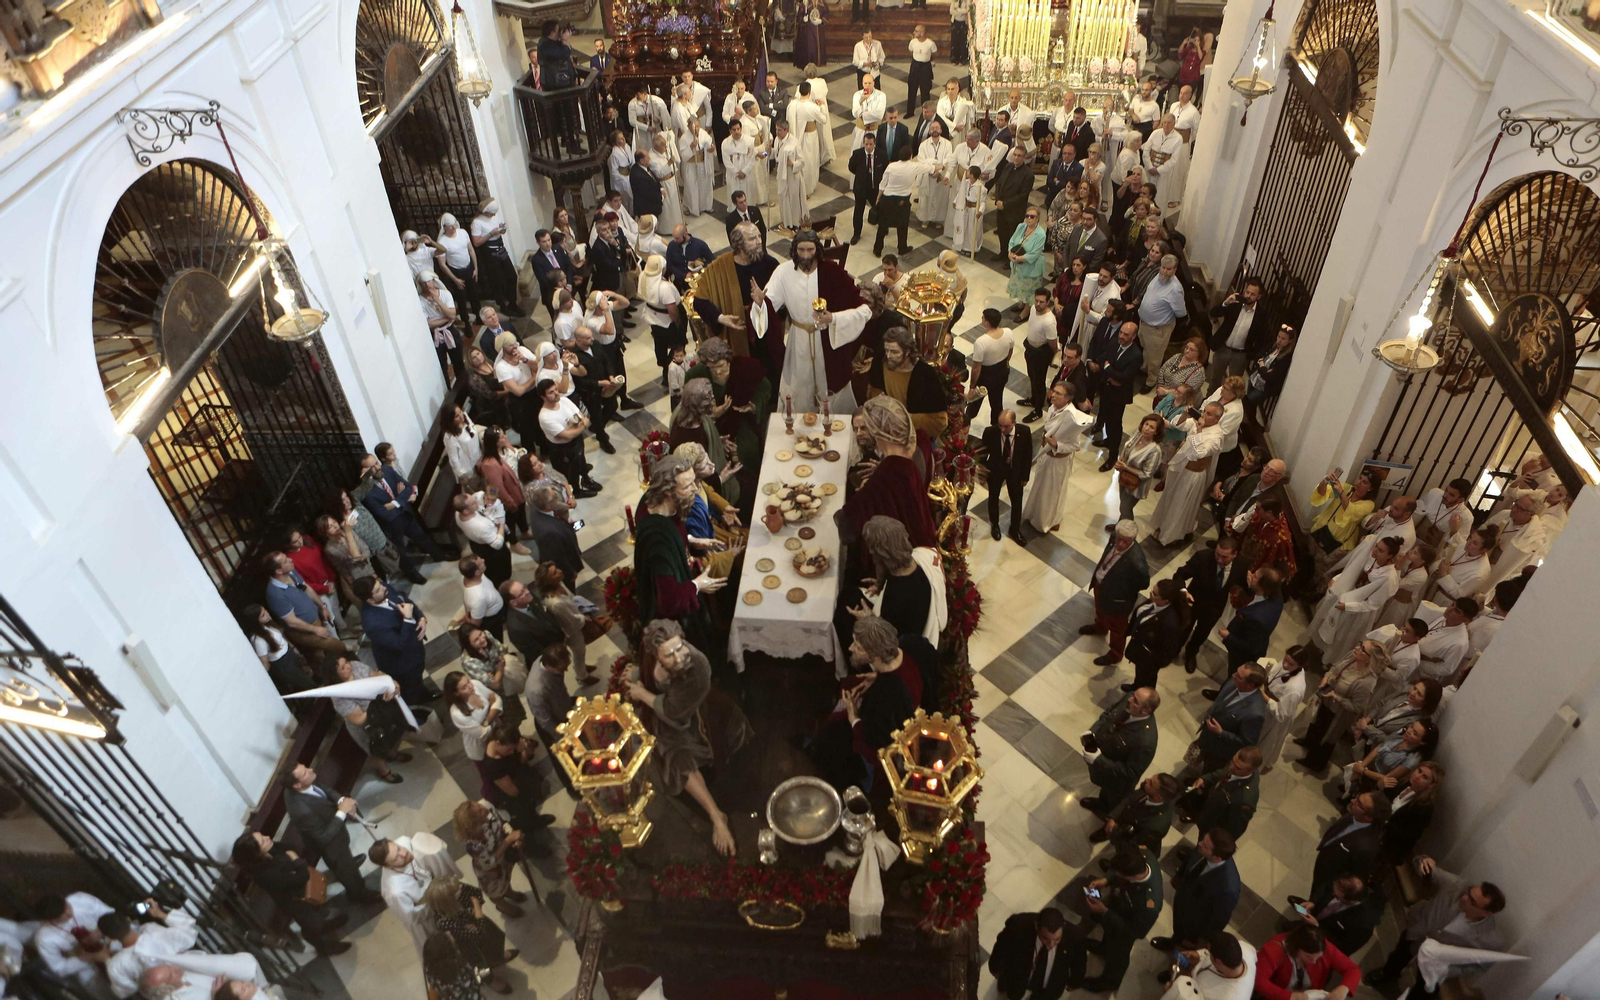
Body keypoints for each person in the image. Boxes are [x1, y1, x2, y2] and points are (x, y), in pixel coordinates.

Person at [626, 619, 752, 853]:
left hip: (695, 719)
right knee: (676, 760)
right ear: (655, 655)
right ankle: (716, 814)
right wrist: (637, 675)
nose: (679, 657)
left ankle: (717, 816)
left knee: (679, 757)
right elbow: (647, 674)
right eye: (669, 654)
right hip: (666, 715)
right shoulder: (649, 653)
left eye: (679, 647)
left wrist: (642, 694)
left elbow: (675, 714)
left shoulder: (698, 668)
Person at [749, 229, 872, 410]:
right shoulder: (783, 272)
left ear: (818, 250)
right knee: (800, 386)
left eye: (810, 250)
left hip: (827, 341)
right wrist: (760, 304)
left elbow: (864, 310)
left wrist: (834, 318)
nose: (806, 256)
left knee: (830, 384)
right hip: (798, 341)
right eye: (801, 250)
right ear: (794, 250)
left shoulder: (831, 271)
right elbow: (767, 308)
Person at [809, 614, 919, 790]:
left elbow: (873, 745)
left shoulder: (883, 698)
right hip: (889, 708)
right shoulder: (904, 654)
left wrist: (853, 717)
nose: (851, 648)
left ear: (875, 655)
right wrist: (877, 676)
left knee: (831, 739)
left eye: (858, 647)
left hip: (880, 753)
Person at [230, 832, 352, 956]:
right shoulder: (264, 874)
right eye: (263, 841)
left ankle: (324, 926)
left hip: (299, 889)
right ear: (255, 854)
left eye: (263, 836)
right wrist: (295, 859)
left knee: (316, 912)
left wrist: (285, 853)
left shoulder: (268, 853)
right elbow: (302, 876)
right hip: (294, 901)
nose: (268, 837)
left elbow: (290, 847)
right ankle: (321, 947)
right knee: (310, 923)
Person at [840, 396, 940, 547]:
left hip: (897, 552)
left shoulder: (883, 479)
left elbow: (846, 527)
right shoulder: (918, 442)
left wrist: (869, 486)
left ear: (878, 433)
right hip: (923, 533)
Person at [283, 763, 375, 902]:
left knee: (345, 863)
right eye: (305, 772)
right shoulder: (302, 811)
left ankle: (346, 865)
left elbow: (324, 789)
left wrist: (342, 800)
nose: (311, 770)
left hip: (335, 834)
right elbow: (323, 837)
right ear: (297, 785)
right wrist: (342, 811)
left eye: (306, 768)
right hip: (331, 845)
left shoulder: (301, 785)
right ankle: (359, 894)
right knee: (348, 873)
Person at [1077, 845, 1164, 992]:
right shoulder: (1140, 854)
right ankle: (1104, 949)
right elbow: (1118, 871)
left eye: (1119, 874)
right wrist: (1106, 879)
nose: (1116, 875)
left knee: (1117, 956)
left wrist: (1104, 912)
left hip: (1125, 929)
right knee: (1109, 934)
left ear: (1133, 876)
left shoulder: (1149, 904)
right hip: (1118, 909)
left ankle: (1109, 983)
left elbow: (1136, 932)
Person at [1297, 639, 1388, 772]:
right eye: (1360, 644)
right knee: (1316, 723)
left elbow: (1357, 707)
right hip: (1327, 699)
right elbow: (1335, 668)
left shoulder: (1366, 682)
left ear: (1369, 659)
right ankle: (1308, 742)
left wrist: (1336, 697)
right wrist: (1326, 678)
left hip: (1337, 713)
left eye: (1362, 649)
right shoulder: (1353, 657)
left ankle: (1315, 763)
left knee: (1326, 736)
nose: (1357, 648)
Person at [423, 876, 518, 995]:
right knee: (479, 965)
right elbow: (479, 933)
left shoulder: (459, 889)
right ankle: (490, 980)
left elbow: (476, 893)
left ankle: (497, 958)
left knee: (494, 941)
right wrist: (475, 906)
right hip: (469, 947)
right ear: (450, 900)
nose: (461, 886)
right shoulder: (444, 922)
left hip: (476, 926)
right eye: (458, 889)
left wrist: (475, 913)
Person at [325, 656, 412, 784]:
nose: (349, 666)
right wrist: (379, 702)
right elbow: (359, 719)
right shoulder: (338, 695)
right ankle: (383, 770)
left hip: (382, 710)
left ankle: (392, 754)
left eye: (346, 662)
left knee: (393, 734)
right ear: (334, 675)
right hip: (367, 724)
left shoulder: (355, 666)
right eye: (343, 668)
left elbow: (375, 675)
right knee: (377, 747)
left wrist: (390, 684)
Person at [1178, 661, 1268, 784]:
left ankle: (1199, 794)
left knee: (1210, 774)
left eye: (1239, 676)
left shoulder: (1254, 713)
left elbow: (1247, 742)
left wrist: (1221, 732)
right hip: (1209, 736)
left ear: (1250, 685)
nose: (1233, 676)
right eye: (1236, 672)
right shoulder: (1234, 682)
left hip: (1220, 750)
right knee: (1204, 762)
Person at [1149, 402, 1225, 545]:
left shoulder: (1217, 436)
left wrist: (1200, 430)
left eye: (1209, 414)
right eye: (1204, 411)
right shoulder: (1197, 421)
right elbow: (1176, 424)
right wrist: (1185, 414)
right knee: (1170, 499)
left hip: (1193, 474)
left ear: (1217, 419)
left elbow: (1199, 453)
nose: (1203, 415)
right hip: (1180, 467)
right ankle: (1163, 526)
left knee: (1181, 505)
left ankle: (1172, 536)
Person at [1021, 386, 1094, 534]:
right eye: (1053, 391)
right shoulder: (1053, 407)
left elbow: (1075, 445)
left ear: (1068, 398)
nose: (1052, 395)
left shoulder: (1071, 417)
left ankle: (1048, 521)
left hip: (1057, 461)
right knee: (1040, 487)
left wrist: (1057, 445)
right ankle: (1033, 513)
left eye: (1058, 394)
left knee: (1052, 492)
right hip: (1045, 455)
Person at [1153, 830, 1240, 951]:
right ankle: (1174, 940)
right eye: (1203, 840)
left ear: (1217, 858)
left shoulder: (1228, 889)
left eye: (1205, 845)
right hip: (1183, 902)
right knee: (1178, 930)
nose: (1199, 844)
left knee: (1185, 941)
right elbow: (1190, 860)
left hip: (1194, 921)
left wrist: (1203, 939)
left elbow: (1218, 920)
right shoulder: (1202, 848)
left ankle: (1177, 950)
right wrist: (1178, 876)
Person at [1078, 686, 1160, 815]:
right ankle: (1102, 802)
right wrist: (1092, 731)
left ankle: (1107, 812)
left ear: (1145, 711)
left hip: (1117, 780)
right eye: (1134, 695)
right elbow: (1109, 713)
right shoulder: (1129, 698)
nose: (1130, 699)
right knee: (1104, 789)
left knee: (1113, 799)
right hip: (1106, 761)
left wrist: (1099, 760)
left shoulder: (1145, 741)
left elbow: (1131, 771)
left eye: (1136, 701)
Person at [1080, 520, 1151, 664]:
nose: (1120, 544)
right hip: (1101, 586)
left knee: (1118, 630)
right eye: (1119, 539)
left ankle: (1115, 654)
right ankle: (1100, 627)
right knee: (1100, 609)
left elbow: (1144, 583)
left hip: (1118, 600)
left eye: (1126, 542)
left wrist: (1122, 588)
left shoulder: (1136, 562)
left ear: (1133, 540)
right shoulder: (1114, 536)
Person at [865, 323, 950, 441]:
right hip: (886, 433)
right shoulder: (881, 361)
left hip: (914, 439)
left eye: (895, 352)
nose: (889, 356)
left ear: (908, 351)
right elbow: (873, 389)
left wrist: (901, 418)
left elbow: (940, 421)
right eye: (887, 350)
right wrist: (880, 401)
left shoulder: (925, 375)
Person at [261, 550, 348, 662]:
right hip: (304, 629)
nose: (290, 560)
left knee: (322, 654)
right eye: (285, 561)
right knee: (335, 645)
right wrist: (315, 629)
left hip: (315, 618)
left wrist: (322, 606)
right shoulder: (276, 594)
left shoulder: (291, 572)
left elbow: (306, 588)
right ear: (278, 570)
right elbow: (291, 621)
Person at [354, 576, 429, 703]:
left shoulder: (383, 589)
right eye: (378, 590)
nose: (384, 587)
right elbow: (398, 644)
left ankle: (423, 694)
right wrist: (408, 619)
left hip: (414, 649)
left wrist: (420, 617)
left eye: (380, 585)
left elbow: (403, 598)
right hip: (403, 663)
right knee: (411, 689)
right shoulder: (372, 623)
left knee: (418, 680)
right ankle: (418, 708)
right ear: (370, 600)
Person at [1310, 792, 1392, 900]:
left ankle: (1306, 911)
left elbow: (1353, 875)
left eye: (1359, 804)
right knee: (1314, 889)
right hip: (1324, 861)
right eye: (1357, 798)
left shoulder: (1366, 847)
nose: (1353, 801)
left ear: (1368, 817)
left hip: (1330, 879)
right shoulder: (1355, 813)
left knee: (1317, 897)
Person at [31, 892, 113, 993]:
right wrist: (89, 958)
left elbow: (111, 914)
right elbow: (59, 968)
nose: (69, 913)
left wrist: (100, 930)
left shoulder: (80, 899)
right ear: (49, 920)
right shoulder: (44, 938)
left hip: (113, 945)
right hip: (89, 972)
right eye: (62, 915)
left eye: (67, 907)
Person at [988, 907, 1076, 1000]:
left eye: (1057, 939)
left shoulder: (1074, 938)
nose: (1051, 945)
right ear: (1036, 926)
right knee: (1012, 991)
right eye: (1045, 938)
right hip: (1017, 977)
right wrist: (995, 968)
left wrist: (1074, 983)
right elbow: (1001, 946)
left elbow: (1078, 962)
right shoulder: (1017, 926)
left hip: (1047, 986)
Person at [1253, 925, 1360, 1000]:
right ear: (1296, 948)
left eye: (1318, 957)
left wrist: (1344, 988)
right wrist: (1289, 996)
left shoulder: (1322, 947)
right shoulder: (1275, 949)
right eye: (1308, 956)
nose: (1314, 962)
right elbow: (1259, 981)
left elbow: (1353, 970)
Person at [1087, 320, 1144, 460]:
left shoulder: (1136, 355)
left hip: (1119, 395)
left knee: (1115, 423)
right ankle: (1108, 441)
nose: (1121, 336)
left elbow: (1123, 377)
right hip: (1106, 387)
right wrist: (1108, 369)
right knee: (1104, 414)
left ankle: (1113, 455)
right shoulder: (1114, 343)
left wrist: (1107, 368)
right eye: (1121, 332)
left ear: (1133, 336)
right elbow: (1102, 358)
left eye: (1126, 334)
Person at [1181, 747, 1262, 841]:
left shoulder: (1244, 800)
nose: (1231, 767)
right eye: (1232, 761)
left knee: (1203, 846)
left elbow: (1234, 831)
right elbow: (1223, 772)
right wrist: (1206, 778)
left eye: (1238, 768)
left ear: (1250, 771)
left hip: (1213, 829)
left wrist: (1214, 843)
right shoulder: (1238, 766)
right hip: (1210, 811)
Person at [1120, 578, 1190, 684]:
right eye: (1153, 590)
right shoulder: (1156, 601)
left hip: (1149, 658)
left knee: (1147, 678)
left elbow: (1167, 651)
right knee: (1140, 673)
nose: (1151, 594)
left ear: (1165, 601)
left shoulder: (1169, 624)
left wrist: (1152, 662)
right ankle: (1136, 685)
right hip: (1140, 647)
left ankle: (1141, 691)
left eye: (1155, 593)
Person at [1134, 253, 1188, 387]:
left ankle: (1151, 381)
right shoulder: (1157, 277)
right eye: (1163, 267)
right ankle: (1145, 370)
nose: (1165, 271)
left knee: (1155, 358)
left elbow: (1181, 312)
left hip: (1158, 329)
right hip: (1144, 324)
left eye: (1169, 269)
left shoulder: (1175, 289)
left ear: (1175, 270)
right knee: (1146, 350)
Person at [1091, 772, 1179, 851]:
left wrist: (1114, 833)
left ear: (1158, 797)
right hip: (1126, 819)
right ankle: (1105, 832)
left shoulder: (1156, 826)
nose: (1146, 780)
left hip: (1131, 841)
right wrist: (1113, 818)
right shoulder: (1148, 790)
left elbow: (1132, 846)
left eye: (1151, 783)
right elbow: (1129, 798)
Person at [981, 409, 1033, 544]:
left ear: (1014, 423)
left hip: (1015, 471)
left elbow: (1028, 455)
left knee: (1017, 501)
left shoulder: (1025, 432)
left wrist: (1025, 475)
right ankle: (995, 525)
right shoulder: (990, 432)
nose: (1002, 429)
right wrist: (982, 473)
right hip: (996, 470)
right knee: (993, 498)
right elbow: (982, 454)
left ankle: (1014, 529)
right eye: (1000, 425)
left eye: (1006, 426)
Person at [1206, 278, 1270, 386]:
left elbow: (1263, 337)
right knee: (1214, 380)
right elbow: (1214, 313)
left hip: (1240, 355)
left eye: (1253, 294)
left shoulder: (1261, 315)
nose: (1248, 296)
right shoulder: (1235, 304)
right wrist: (1225, 303)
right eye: (1247, 292)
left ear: (1259, 296)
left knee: (1232, 385)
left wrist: (1251, 354)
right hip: (1223, 348)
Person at [1380, 760, 1445, 864]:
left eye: (1425, 777)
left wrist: (1386, 822)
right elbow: (1384, 798)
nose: (1418, 776)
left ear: (1430, 785)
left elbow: (1407, 836)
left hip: (1389, 841)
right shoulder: (1404, 783)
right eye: (1419, 771)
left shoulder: (1424, 808)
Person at [1220, 567, 1284, 669]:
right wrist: (1252, 585)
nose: (1251, 575)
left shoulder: (1257, 618)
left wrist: (1228, 636)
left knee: (1235, 674)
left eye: (1255, 577)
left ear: (1263, 586)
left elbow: (1250, 647)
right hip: (1251, 634)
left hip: (1242, 655)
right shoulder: (1276, 594)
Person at [1256, 649, 1309, 771]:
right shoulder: (1287, 665)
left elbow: (1281, 714)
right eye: (1285, 660)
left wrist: (1264, 695)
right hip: (1265, 702)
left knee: (1263, 744)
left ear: (1300, 665)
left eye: (1291, 664)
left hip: (1274, 718)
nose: (1285, 665)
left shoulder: (1295, 688)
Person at [965, 307, 1015, 425]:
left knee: (974, 404)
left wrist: (972, 386)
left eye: (982, 317)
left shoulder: (981, 342)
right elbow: (1010, 350)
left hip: (985, 375)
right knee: (997, 402)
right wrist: (1006, 362)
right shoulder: (1008, 332)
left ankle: (964, 426)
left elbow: (976, 367)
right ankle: (997, 428)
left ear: (987, 323)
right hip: (1002, 371)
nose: (981, 319)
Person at [987, 144, 1036, 260]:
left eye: (1019, 156)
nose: (1016, 158)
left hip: (1014, 210)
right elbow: (999, 183)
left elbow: (1023, 196)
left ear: (1024, 158)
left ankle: (1011, 259)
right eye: (1015, 155)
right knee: (1002, 232)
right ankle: (1003, 253)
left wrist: (1005, 204)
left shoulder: (1028, 174)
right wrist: (998, 199)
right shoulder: (1008, 167)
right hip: (1001, 207)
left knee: (1013, 236)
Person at [1245, 323, 1297, 423]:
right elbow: (1258, 357)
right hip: (1254, 379)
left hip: (1264, 388)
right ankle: (1252, 426)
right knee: (1250, 408)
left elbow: (1268, 376)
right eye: (1278, 336)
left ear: (1290, 341)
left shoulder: (1286, 357)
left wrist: (1262, 364)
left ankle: (1250, 426)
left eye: (1283, 339)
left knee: (1248, 402)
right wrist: (1262, 366)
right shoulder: (1272, 346)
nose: (1279, 340)